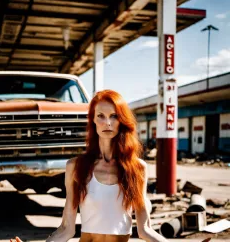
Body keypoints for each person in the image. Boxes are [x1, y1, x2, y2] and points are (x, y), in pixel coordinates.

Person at [12, 90, 168, 242]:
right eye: (101, 116)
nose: (107, 122)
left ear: (122, 120)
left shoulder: (137, 168)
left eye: (114, 116)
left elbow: (146, 230)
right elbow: (66, 229)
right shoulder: (76, 166)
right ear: (93, 120)